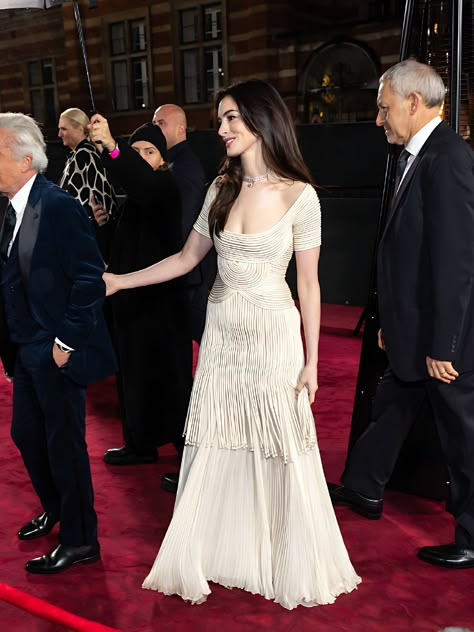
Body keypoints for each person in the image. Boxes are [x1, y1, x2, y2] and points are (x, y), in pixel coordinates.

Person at [104, 80, 361, 608]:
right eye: (220, 119)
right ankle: (221, 547)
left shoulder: (300, 196)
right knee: (218, 435)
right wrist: (120, 280)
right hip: (222, 333)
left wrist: (313, 362)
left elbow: (309, 285)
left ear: (262, 121)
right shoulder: (220, 189)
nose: (219, 130)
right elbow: (184, 260)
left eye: (230, 120)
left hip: (272, 335)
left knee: (276, 443)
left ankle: (281, 553)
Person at [328, 60, 474, 569]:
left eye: (383, 108)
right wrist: (397, 322)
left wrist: (444, 345)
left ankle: (472, 536)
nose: (377, 120)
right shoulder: (421, 155)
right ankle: (364, 487)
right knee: (393, 401)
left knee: (463, 435)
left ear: (414, 102)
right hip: (417, 327)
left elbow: (457, 262)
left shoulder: (447, 158)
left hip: (446, 341)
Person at [0, 112, 116, 574]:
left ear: (26, 159)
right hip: (22, 347)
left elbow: (91, 277)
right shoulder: (6, 208)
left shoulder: (59, 205)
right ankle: (58, 507)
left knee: (63, 443)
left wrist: (66, 341)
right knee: (26, 434)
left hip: (55, 348)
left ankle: (81, 539)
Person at [88, 117, 193, 466]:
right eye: (136, 151)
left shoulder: (164, 188)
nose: (142, 157)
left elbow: (141, 182)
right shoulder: (134, 200)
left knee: (169, 376)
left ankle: (186, 448)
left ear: (161, 159)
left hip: (160, 305)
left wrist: (114, 148)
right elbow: (118, 251)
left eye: (149, 151)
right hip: (129, 304)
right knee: (131, 375)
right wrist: (104, 225)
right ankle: (139, 443)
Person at [152, 103, 208, 493]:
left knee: (204, 372)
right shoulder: (173, 165)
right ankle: (190, 450)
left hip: (190, 285)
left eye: (159, 123)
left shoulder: (185, 168)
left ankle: (195, 452)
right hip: (184, 280)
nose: (154, 128)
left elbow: (186, 235)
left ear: (179, 127)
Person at [58, 107, 117, 223]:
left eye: (63, 129)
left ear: (80, 129)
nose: (59, 134)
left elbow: (78, 200)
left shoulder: (84, 154)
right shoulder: (83, 153)